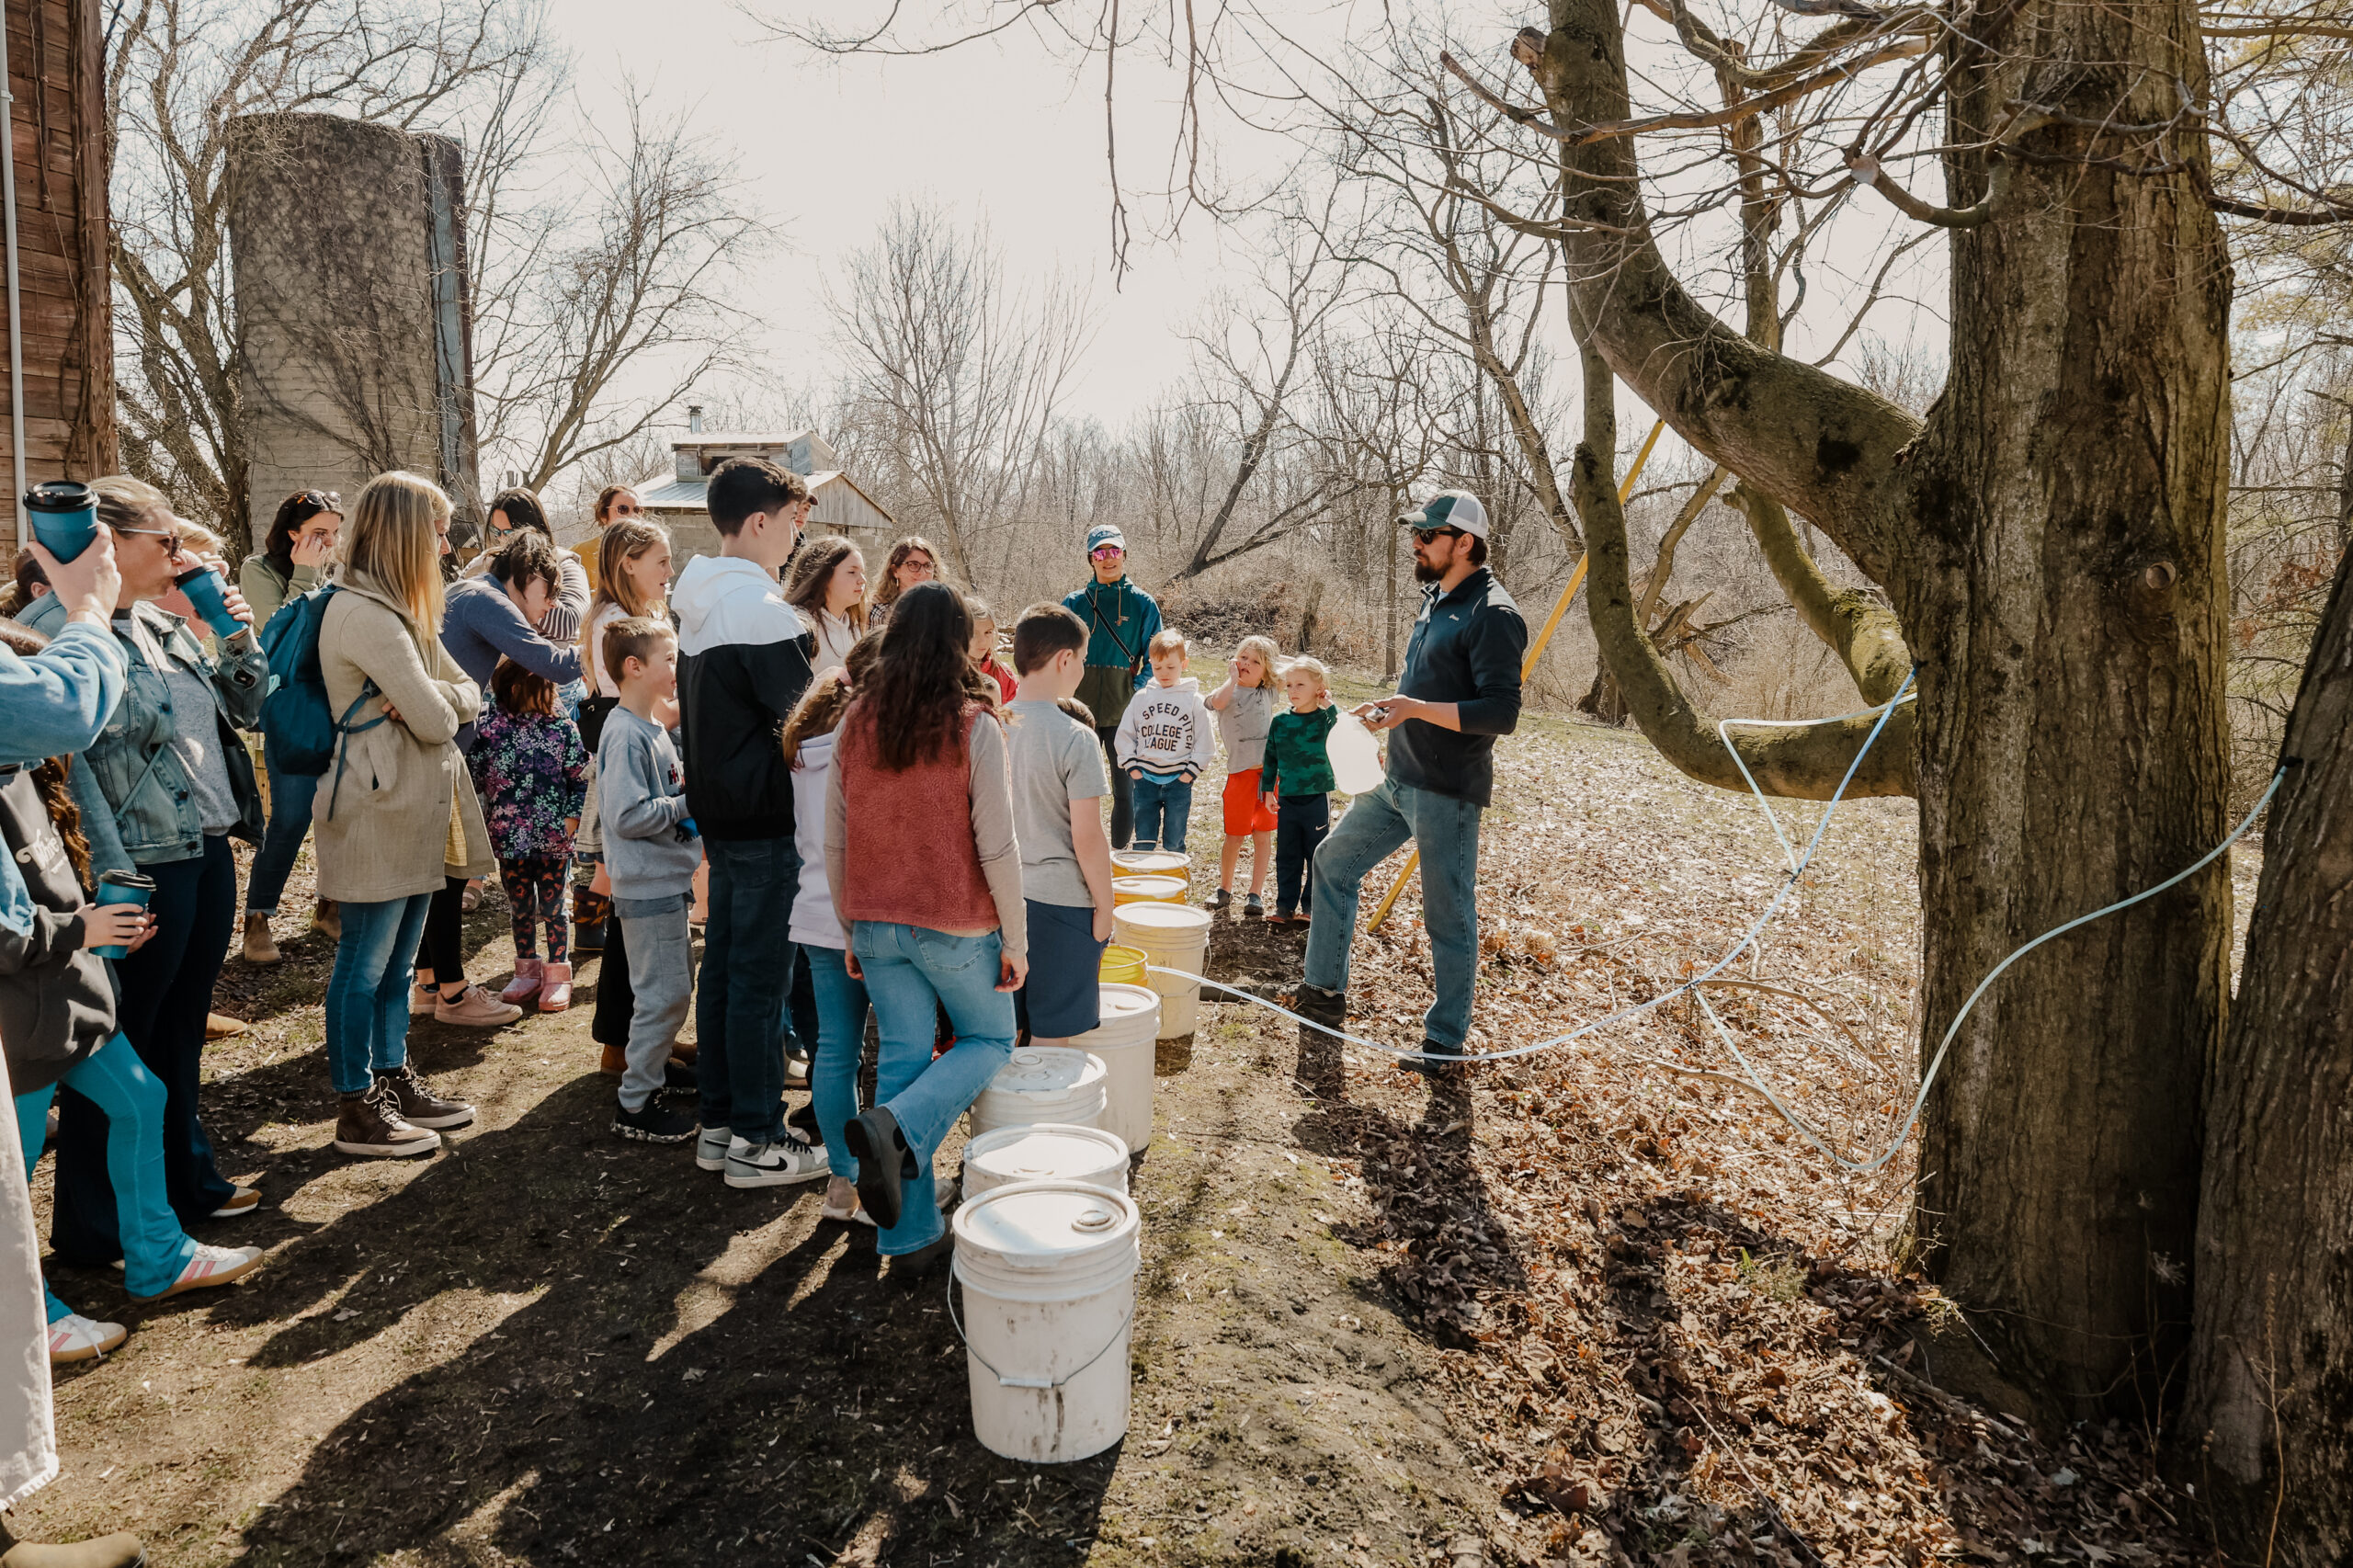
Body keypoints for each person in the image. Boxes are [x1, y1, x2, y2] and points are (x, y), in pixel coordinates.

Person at [19, 477, 269, 1265]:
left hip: (201, 849)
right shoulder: (52, 633)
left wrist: (235, 638)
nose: (178, 552)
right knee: (117, 1045)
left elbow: (247, 710)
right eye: (162, 540)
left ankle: (182, 1182)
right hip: (136, 870)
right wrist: (114, 875)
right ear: (107, 545)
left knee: (178, 1034)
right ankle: (96, 1229)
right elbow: (71, 777)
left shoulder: (162, 624)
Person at [0, 537, 155, 1568]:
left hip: (49, 981)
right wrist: (87, 606)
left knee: (127, 1100)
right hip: (26, 993)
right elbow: (60, 706)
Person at [827, 583, 1025, 1273]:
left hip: (877, 922)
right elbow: (999, 848)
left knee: (904, 1063)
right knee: (992, 1037)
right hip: (956, 925)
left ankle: (907, 1239)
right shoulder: (976, 727)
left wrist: (850, 925)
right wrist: (1019, 940)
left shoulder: (855, 721)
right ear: (958, 643)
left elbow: (835, 840)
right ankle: (898, 1129)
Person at [1296, 492, 1526, 1083]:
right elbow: (1420, 695)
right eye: (1416, 535)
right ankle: (1323, 994)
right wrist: (1389, 713)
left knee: (1447, 914)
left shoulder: (1494, 614)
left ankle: (1445, 1041)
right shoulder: (1434, 599)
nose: (1416, 545)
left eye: (1427, 535)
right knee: (1332, 862)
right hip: (1395, 780)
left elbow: (1500, 713)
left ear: (1464, 542)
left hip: (1446, 789)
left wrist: (1417, 708)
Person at [311, 470, 492, 1156]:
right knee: (364, 962)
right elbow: (434, 716)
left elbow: (465, 693)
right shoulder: (362, 614)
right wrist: (439, 704)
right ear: (408, 536)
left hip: (413, 809)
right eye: (438, 532)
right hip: (375, 811)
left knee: (396, 964)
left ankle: (393, 1079)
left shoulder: (402, 611)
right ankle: (356, 1106)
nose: (447, 546)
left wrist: (443, 703)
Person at [673, 457, 826, 1185]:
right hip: (767, 822)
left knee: (729, 974)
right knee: (761, 981)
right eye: (794, 524)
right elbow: (808, 726)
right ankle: (761, 1140)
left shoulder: (699, 599)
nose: (797, 540)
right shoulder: (761, 610)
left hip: (723, 818)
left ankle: (722, 1125)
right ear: (761, 521)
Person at [419, 529, 585, 1025]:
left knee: (436, 876)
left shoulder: (466, 593)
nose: (548, 607)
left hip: (439, 750)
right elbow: (549, 663)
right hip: (438, 751)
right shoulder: (485, 597)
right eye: (547, 593)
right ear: (528, 576)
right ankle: (451, 993)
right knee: (446, 878)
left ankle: (429, 984)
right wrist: (606, 649)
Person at [785, 636, 882, 1224]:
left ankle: (842, 1183)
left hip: (814, 910)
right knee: (892, 1051)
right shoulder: (864, 744)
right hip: (865, 912)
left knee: (834, 1052)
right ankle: (884, 1182)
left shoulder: (804, 743)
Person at [597, 616, 702, 1146]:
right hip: (647, 888)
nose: (677, 666)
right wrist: (689, 803)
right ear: (634, 668)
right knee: (663, 997)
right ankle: (635, 1102)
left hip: (665, 883)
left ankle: (655, 1070)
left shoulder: (655, 726)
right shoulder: (624, 735)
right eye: (669, 658)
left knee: (671, 989)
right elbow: (626, 816)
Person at [576, 519, 674, 1053]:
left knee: (633, 910)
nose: (668, 571)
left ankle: (636, 1037)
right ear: (627, 563)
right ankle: (622, 1042)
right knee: (628, 908)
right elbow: (642, 705)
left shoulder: (641, 614)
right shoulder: (616, 622)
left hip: (640, 762)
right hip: (627, 770)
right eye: (660, 561)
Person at [237, 489, 344, 963]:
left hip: (340, 702)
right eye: (319, 533)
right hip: (292, 706)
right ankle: (258, 918)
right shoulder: (256, 570)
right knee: (293, 816)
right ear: (291, 534)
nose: (329, 543)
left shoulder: (340, 572)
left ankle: (330, 905)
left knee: (341, 812)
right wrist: (305, 575)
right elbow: (275, 637)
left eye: (335, 534)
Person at [1006, 604, 1115, 1048]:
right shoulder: (1076, 737)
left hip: (997, 899)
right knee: (1052, 1042)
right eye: (1084, 658)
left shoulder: (987, 723)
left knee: (1007, 1034)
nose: (1083, 669)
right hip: (1061, 907)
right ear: (1064, 659)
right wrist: (1107, 907)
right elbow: (1087, 838)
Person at [469, 661, 586, 1012]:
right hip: (509, 839)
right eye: (544, 687)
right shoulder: (489, 727)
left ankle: (557, 973)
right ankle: (526, 970)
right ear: (518, 689)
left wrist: (570, 819)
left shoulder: (562, 727)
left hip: (554, 838)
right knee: (520, 907)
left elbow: (580, 776)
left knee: (553, 907)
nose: (551, 694)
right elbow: (474, 775)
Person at [1061, 523, 1161, 850]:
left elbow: (1155, 656)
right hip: (1077, 709)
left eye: (1114, 550)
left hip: (1123, 709)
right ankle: (1073, 852)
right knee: (1071, 785)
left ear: (1124, 555)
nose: (1108, 558)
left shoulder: (1143, 603)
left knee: (1124, 788)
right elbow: (1057, 653)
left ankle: (1117, 856)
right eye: (1100, 552)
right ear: (1091, 558)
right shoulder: (1074, 603)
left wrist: (1136, 690)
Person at [1114, 629, 1214, 856]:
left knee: (1174, 843)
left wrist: (1188, 774)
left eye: (1171, 667)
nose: (1164, 673)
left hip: (1178, 782)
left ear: (1184, 663)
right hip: (1145, 781)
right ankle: (1147, 885)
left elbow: (1205, 743)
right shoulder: (1141, 698)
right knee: (1144, 841)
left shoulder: (1193, 701)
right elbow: (1125, 735)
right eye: (1158, 668)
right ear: (1150, 664)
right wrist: (1133, 769)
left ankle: (1175, 885)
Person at [1205, 634, 1279, 917]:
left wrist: (1269, 654)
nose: (1246, 663)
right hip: (1240, 776)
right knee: (1234, 836)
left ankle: (1255, 894)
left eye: (1255, 661)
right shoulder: (1228, 691)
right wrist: (1234, 677)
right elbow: (1218, 703)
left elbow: (1286, 668)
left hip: (1269, 778)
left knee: (1263, 835)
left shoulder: (1268, 691)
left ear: (1267, 671)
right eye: (1243, 657)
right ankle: (1224, 889)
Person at [1259, 655, 1337, 925]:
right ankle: (1284, 906)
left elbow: (1346, 734)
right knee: (1288, 854)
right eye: (1289, 685)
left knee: (1315, 854)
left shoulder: (1326, 719)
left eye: (1300, 685)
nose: (1293, 691)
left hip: (1317, 796)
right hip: (1288, 797)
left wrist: (1330, 706)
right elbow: (1270, 756)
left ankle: (1311, 907)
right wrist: (1268, 791)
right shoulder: (1280, 721)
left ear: (1319, 687)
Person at [460, 486, 590, 642]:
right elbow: (455, 608)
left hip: (549, 662)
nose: (503, 539)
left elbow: (567, 625)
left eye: (509, 533)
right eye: (497, 532)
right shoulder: (484, 562)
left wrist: (520, 585)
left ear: (532, 529)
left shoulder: (566, 564)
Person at [785, 535, 868, 676]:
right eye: (852, 572)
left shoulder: (854, 627)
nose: (862, 580)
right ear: (822, 576)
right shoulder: (798, 626)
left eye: (862, 572)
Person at [865, 535, 941, 631]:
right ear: (895, 571)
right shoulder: (881, 612)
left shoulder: (943, 608)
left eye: (927, 565)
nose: (922, 572)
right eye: (913, 565)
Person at [579, 483, 644, 597]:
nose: (632, 515)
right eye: (622, 509)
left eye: (637, 510)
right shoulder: (580, 553)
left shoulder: (650, 551)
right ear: (604, 516)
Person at [966, 597, 1017, 707]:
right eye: (974, 633)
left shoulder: (1004, 675)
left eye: (988, 632)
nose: (982, 641)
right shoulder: (945, 674)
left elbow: (1016, 717)